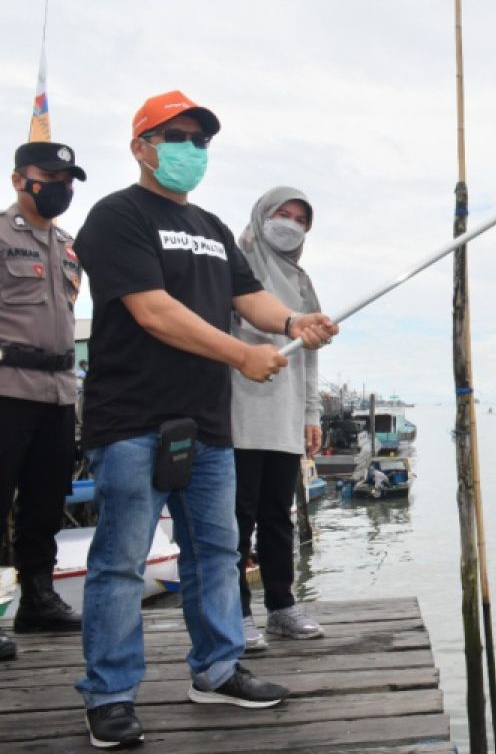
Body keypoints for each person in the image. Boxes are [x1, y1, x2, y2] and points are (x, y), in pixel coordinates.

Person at [72, 90, 338, 749]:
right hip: (132, 418)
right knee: (120, 559)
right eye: (178, 136)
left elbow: (249, 297)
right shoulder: (115, 216)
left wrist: (292, 322)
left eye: (201, 140)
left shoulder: (216, 229)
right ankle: (109, 694)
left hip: (209, 425)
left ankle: (217, 669)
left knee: (218, 553)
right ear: (142, 146)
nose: (192, 149)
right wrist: (241, 355)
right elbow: (152, 310)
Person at [0, 141, 89, 663]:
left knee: (45, 500)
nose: (63, 187)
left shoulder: (70, 245)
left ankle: (37, 599)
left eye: (69, 179)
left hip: (58, 392)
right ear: (19, 180)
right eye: (51, 176)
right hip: (7, 387)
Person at [230, 187, 326, 650]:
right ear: (262, 214)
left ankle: (282, 606)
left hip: (286, 416)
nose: (289, 224)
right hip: (239, 410)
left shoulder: (303, 281)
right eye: (281, 214)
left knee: (278, 516)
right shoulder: (235, 261)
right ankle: (235, 613)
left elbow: (309, 358)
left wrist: (311, 413)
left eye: (300, 219)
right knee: (236, 518)